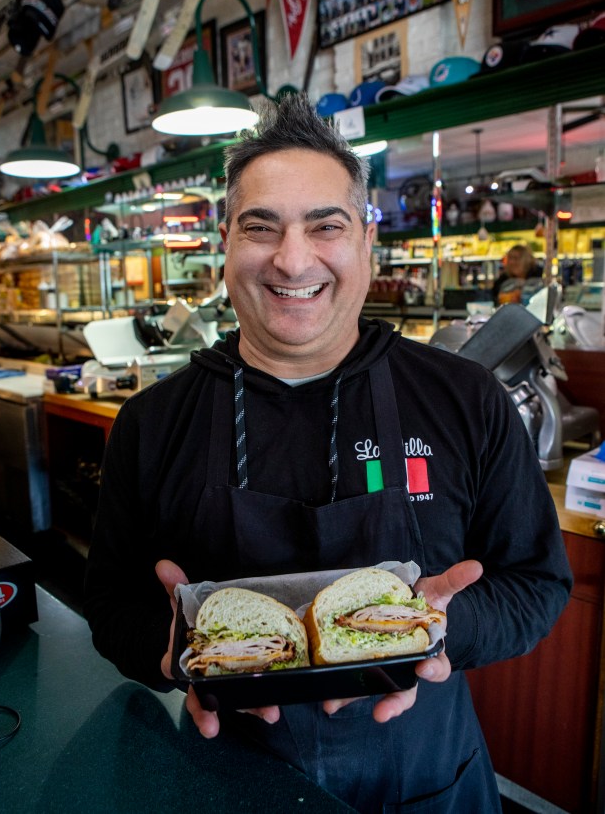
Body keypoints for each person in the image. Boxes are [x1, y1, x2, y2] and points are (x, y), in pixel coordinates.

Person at [85, 94, 572, 814]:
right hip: (226, 781)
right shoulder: (152, 422)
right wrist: (169, 650)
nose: (291, 258)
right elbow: (109, 605)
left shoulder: (464, 400)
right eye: (260, 227)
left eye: (325, 226)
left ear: (365, 242)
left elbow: (537, 583)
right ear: (225, 243)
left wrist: (436, 634)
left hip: (425, 778)